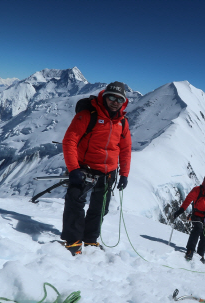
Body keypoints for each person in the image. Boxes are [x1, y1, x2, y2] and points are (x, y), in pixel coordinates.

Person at [61, 81, 132, 255]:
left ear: (123, 102)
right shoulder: (88, 115)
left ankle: (90, 239)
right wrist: (73, 169)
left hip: (108, 172)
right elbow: (69, 141)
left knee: (100, 208)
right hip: (84, 167)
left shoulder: (122, 122)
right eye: (112, 97)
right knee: (75, 202)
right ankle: (73, 240)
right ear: (105, 96)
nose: (115, 102)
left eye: (119, 99)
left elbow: (125, 149)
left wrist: (124, 174)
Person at [173, 174, 205, 262]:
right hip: (197, 215)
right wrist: (180, 211)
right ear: (204, 183)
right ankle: (190, 250)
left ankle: (200, 254)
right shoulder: (197, 190)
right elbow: (187, 200)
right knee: (198, 228)